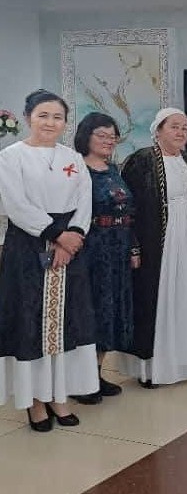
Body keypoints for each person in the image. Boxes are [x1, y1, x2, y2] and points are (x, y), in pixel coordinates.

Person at [0, 89, 95, 431]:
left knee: (67, 322)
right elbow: (16, 205)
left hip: (70, 249)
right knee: (31, 322)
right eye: (43, 115)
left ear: (65, 122)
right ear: (28, 118)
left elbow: (85, 199)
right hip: (28, 246)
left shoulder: (73, 158)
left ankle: (59, 394)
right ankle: (35, 401)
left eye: (57, 117)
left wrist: (72, 238)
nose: (50, 123)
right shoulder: (11, 157)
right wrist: (57, 235)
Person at [118, 108, 187, 387]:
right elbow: (128, 208)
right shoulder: (142, 160)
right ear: (158, 131)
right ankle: (151, 368)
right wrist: (134, 245)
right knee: (157, 299)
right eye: (174, 126)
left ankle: (183, 361)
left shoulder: (186, 159)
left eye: (185, 128)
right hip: (159, 242)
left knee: (185, 297)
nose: (181, 132)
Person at [71, 112, 137, 405]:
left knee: (112, 311)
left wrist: (133, 247)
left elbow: (128, 212)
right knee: (92, 311)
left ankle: (96, 374)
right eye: (102, 135)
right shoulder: (77, 170)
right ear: (86, 136)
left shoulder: (113, 169)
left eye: (113, 136)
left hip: (118, 249)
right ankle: (80, 379)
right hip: (92, 250)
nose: (109, 141)